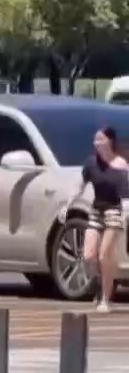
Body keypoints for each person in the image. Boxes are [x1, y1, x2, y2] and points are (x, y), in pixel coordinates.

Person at [72, 127, 127, 313]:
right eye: (95, 140)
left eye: (100, 139)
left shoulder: (120, 165)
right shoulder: (91, 163)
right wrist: (69, 204)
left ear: (109, 141)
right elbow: (80, 186)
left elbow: (126, 193)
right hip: (96, 210)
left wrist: (126, 213)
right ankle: (100, 282)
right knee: (89, 255)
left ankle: (105, 298)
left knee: (104, 254)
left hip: (114, 211)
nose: (96, 143)